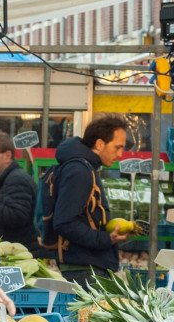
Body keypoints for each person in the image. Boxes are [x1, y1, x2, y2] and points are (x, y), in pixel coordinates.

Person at [42, 115, 132, 285]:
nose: (120, 154)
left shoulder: (84, 167)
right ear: (99, 144)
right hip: (84, 269)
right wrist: (106, 239)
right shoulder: (79, 171)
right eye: (117, 147)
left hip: (86, 266)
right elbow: (64, 222)